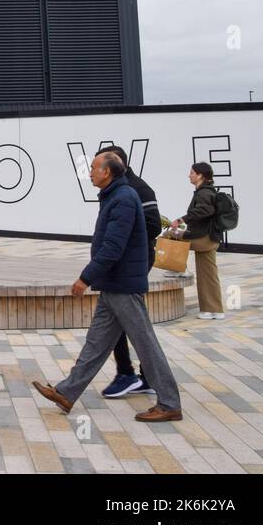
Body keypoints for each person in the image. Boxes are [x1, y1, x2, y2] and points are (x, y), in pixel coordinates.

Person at [32, 152, 182, 422]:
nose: (89, 172)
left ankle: (169, 403)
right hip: (113, 284)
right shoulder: (114, 196)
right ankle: (66, 393)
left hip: (123, 285)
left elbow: (113, 247)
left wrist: (85, 278)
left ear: (107, 172)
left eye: (93, 168)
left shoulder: (123, 199)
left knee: (145, 343)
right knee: (96, 344)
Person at [97, 145, 162, 399]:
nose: (93, 172)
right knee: (128, 320)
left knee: (130, 320)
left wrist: (123, 242)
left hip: (132, 262)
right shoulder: (114, 190)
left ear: (115, 164)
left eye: (98, 166)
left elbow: (153, 225)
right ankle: (138, 375)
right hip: (120, 263)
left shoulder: (138, 189)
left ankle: (130, 374)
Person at [170, 162, 226, 321]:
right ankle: (213, 310)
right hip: (210, 238)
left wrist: (181, 219)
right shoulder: (208, 191)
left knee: (170, 235)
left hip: (202, 238)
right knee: (208, 275)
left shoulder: (203, 193)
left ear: (200, 175)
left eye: (192, 172)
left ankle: (180, 268)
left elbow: (204, 210)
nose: (189, 175)